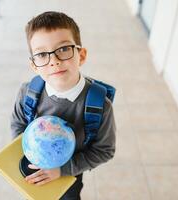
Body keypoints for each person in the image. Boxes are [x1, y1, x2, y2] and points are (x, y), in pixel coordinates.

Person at [11, 11, 116, 200]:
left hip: (69, 173)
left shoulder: (101, 106)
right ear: (34, 65)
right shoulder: (27, 93)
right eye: (42, 54)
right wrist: (32, 155)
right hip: (34, 168)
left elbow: (104, 150)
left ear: (81, 55)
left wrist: (62, 170)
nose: (54, 61)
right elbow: (18, 127)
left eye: (64, 49)